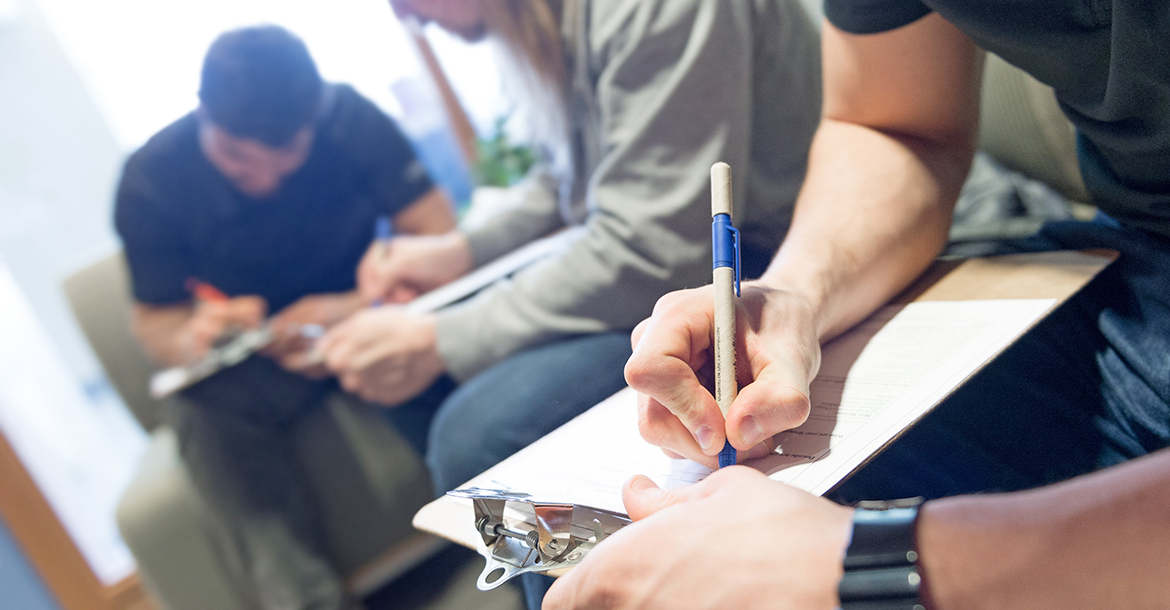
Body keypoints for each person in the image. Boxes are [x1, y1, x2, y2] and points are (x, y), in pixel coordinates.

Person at [541, 0, 1170, 607]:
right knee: (607, 553)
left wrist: (871, 566)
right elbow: (895, 126)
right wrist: (793, 297)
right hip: (1130, 275)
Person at [114, 26, 456, 610]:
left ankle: (521, 540)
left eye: (287, 159)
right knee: (199, 408)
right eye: (240, 162)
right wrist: (197, 336)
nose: (267, 179)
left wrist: (351, 307)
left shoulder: (350, 118)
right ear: (203, 115)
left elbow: (441, 239)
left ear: (314, 118)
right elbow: (155, 326)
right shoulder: (152, 179)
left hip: (374, 314)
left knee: (461, 324)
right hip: (263, 361)